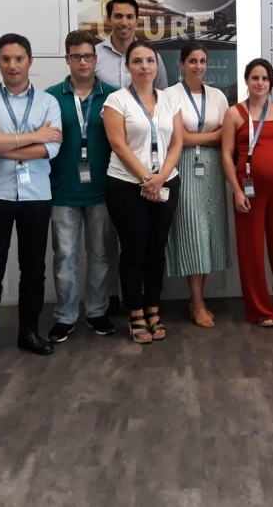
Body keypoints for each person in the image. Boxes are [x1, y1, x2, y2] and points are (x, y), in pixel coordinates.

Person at [0, 34, 63, 363]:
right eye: (6, 59)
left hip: (36, 194)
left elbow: (50, 149)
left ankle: (29, 332)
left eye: (19, 59)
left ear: (30, 61)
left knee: (33, 269)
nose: (12, 65)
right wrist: (34, 136)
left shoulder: (48, 102)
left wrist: (4, 143)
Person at [102, 40, 182, 343]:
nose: (145, 66)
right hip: (126, 184)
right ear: (128, 67)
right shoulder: (116, 100)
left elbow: (177, 142)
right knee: (133, 250)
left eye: (150, 60)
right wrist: (147, 178)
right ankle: (135, 312)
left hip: (166, 181)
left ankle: (153, 308)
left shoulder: (170, 99)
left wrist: (160, 178)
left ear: (157, 65)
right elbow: (118, 144)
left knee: (156, 250)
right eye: (137, 61)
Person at [45, 31, 117, 343]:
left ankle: (98, 311)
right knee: (64, 257)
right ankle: (65, 315)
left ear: (95, 59)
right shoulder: (50, 97)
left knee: (100, 255)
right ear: (67, 59)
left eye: (88, 56)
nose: (83, 62)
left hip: (102, 190)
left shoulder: (113, 96)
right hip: (63, 190)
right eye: (76, 56)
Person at [221, 59, 273, 327]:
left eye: (265, 78)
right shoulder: (234, 113)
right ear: (246, 80)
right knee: (251, 250)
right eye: (255, 78)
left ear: (271, 82)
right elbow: (226, 155)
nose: (260, 83)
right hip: (248, 191)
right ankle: (261, 310)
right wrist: (236, 190)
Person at [164, 41, 230, 327]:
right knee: (193, 231)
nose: (198, 66)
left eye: (202, 61)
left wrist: (198, 137)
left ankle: (197, 299)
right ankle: (198, 301)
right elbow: (176, 138)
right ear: (181, 64)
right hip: (182, 165)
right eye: (192, 61)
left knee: (210, 231)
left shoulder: (217, 96)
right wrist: (211, 136)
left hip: (212, 167)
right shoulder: (170, 95)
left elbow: (226, 134)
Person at [95, 0, 168, 90]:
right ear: (108, 20)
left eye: (130, 17)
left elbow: (161, 95)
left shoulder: (153, 58)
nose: (124, 23)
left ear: (137, 21)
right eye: (118, 16)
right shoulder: (94, 56)